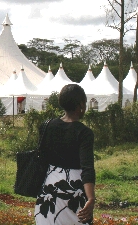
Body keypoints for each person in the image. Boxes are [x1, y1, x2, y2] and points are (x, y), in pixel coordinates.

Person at [34, 84, 96, 225]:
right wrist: (91, 198)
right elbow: (87, 168)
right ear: (81, 104)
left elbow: (42, 158)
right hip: (73, 190)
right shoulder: (84, 133)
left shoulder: (46, 126)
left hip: (48, 190)